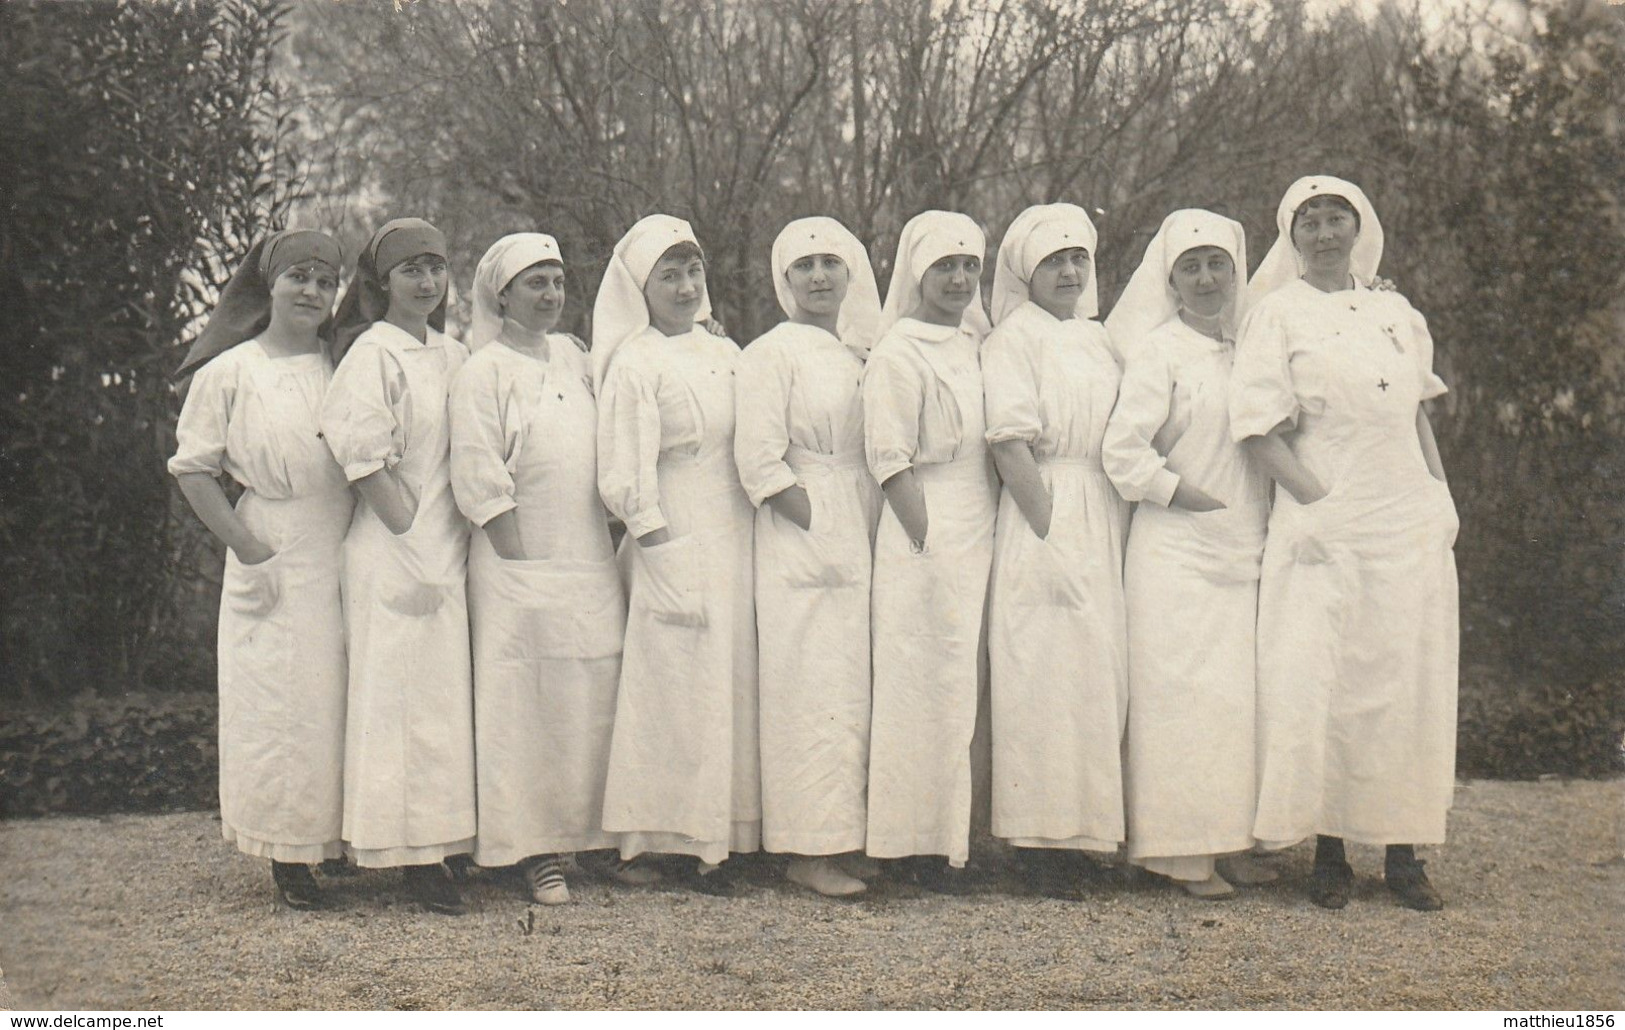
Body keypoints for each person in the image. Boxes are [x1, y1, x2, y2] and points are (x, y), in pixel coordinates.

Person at [1229, 176, 1459, 911]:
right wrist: (1317, 502)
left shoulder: (1396, 311)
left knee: (1408, 678)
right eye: (1310, 221)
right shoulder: (1276, 315)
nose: (1325, 233)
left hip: (1404, 512)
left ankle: (1403, 853)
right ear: (1290, 235)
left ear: (1359, 228)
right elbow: (1257, 431)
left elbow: (1417, 412)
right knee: (1328, 679)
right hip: (1326, 510)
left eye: (1337, 219)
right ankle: (1328, 850)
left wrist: (1438, 494)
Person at [169, 230, 352, 910]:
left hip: (344, 540)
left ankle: (335, 841)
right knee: (284, 704)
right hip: (273, 541)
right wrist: (248, 547)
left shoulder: (346, 364)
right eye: (298, 278)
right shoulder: (232, 370)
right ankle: (288, 853)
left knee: (342, 696)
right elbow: (193, 470)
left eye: (324, 282)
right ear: (268, 286)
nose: (310, 292)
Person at [448, 233, 629, 905]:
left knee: (587, 694)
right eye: (534, 284)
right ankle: (530, 851)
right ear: (501, 295)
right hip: (515, 560)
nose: (550, 295)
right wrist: (522, 566)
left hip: (584, 553)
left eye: (556, 282)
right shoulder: (482, 371)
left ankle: (585, 838)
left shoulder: (576, 359)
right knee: (523, 701)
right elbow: (477, 473)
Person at [1103, 208, 1274, 900]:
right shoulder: (1158, 351)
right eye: (1190, 267)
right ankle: (1177, 851)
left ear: (1237, 271)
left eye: (1217, 265)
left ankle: (1228, 841)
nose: (1205, 279)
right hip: (1174, 553)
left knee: (1236, 703)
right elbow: (1121, 453)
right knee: (1181, 702)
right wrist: (1183, 495)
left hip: (1243, 548)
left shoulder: (1252, 347)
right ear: (1169, 280)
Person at [593, 214, 760, 893]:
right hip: (675, 527)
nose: (686, 286)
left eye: (693, 271)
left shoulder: (725, 351)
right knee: (675, 688)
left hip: (736, 526)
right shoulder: (634, 362)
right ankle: (666, 841)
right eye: (669, 275)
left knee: (730, 682)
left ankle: (728, 836)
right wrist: (658, 549)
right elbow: (623, 474)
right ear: (641, 286)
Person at [320, 218, 476, 915]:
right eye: (410, 269)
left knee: (442, 703)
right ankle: (406, 854)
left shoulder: (456, 352)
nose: (426, 282)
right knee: (399, 702)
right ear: (381, 282)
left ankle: (443, 842)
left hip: (451, 545)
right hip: (396, 547)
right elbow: (363, 461)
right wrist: (412, 540)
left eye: (436, 268)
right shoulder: (371, 354)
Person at [735, 217, 884, 898]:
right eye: (805, 267)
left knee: (850, 689)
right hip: (805, 527)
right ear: (784, 279)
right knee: (808, 687)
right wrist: (813, 518)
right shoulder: (771, 352)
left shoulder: (860, 352)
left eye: (831, 264)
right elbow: (758, 459)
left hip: (858, 519)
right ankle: (806, 847)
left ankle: (846, 836)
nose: (819, 277)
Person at [982, 203, 1128, 898]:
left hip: (1101, 508)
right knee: (1042, 673)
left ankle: (1082, 836)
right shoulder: (1015, 337)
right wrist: (1050, 532)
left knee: (1091, 676)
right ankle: (1038, 845)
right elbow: (1009, 443)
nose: (1068, 272)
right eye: (1052, 261)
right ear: (1024, 272)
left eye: (1078, 259)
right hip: (1047, 507)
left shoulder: (1097, 339)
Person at [861, 210, 998, 891]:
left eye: (969, 266)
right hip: (925, 522)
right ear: (918, 272)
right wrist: (926, 541)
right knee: (918, 681)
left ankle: (954, 842)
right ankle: (904, 843)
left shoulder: (979, 344)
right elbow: (889, 459)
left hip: (980, 519)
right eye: (944, 266)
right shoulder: (898, 350)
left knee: (961, 684)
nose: (958, 279)